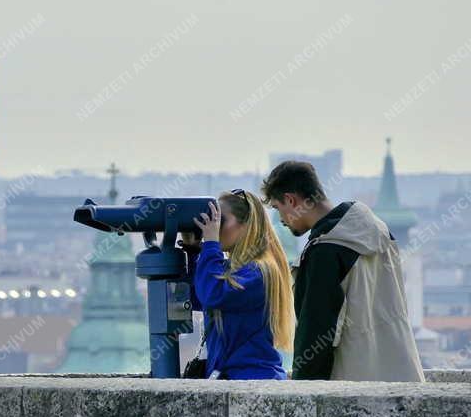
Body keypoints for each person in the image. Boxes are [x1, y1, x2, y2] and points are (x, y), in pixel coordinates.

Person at [261, 161, 424, 382]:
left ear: (291, 200)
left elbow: (315, 336)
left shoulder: (324, 251)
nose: (281, 220)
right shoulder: (378, 232)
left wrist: (303, 391)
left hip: (357, 385)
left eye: (278, 208)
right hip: (403, 374)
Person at [179, 189, 294, 380]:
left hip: (255, 380)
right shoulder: (233, 270)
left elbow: (213, 295)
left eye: (220, 220)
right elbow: (196, 297)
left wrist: (210, 245)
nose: (215, 226)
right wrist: (193, 250)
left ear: (246, 225)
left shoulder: (259, 272)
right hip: (234, 378)